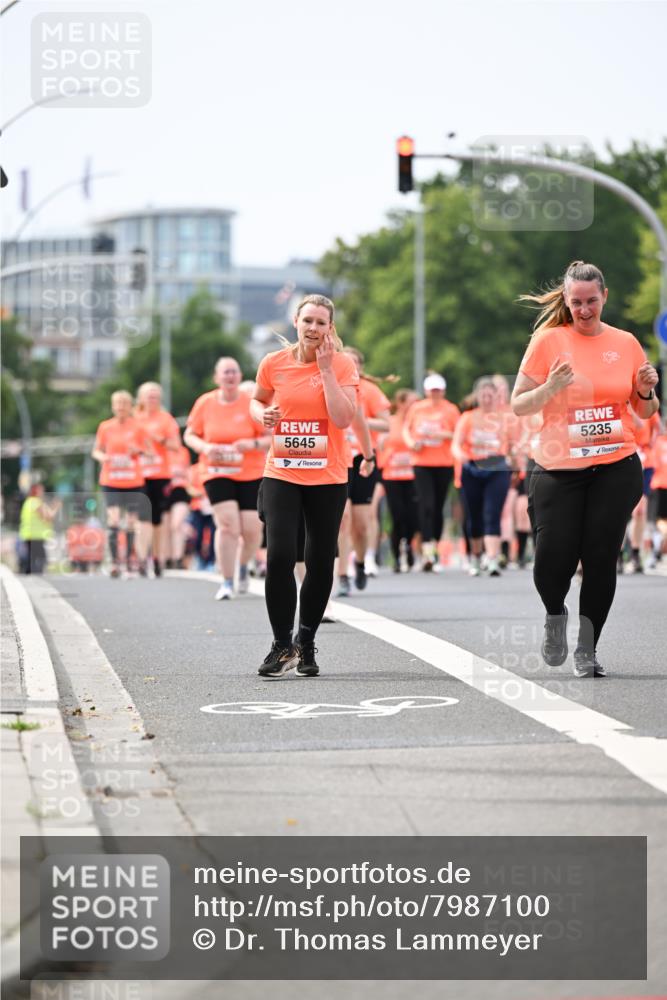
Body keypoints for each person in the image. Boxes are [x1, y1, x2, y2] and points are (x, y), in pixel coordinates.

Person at [511, 260, 659, 678]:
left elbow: (645, 411)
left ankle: (587, 649)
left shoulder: (626, 342)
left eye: (591, 301)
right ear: (566, 300)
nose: (584, 309)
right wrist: (551, 387)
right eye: (576, 302)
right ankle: (555, 613)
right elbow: (519, 404)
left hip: (615, 464)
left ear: (604, 297)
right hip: (557, 467)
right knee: (551, 561)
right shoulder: (548, 340)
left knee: (600, 558)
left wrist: (646, 391)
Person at [250, 294, 359, 678]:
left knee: (319, 559)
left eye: (321, 323)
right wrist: (261, 414)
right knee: (279, 555)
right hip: (282, 470)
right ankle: (282, 644)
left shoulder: (342, 364)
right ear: (296, 321)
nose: (313, 329)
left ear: (331, 328)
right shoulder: (273, 363)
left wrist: (327, 370)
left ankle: (306, 640)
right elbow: (257, 399)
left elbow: (344, 419)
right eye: (308, 320)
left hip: (327, 476)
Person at [185, 357, 270, 600]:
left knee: (253, 530)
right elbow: (189, 435)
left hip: (251, 471)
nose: (230, 376)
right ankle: (226, 581)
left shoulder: (251, 403)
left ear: (240, 375)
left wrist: (251, 443)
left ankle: (243, 566)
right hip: (216, 471)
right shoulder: (205, 403)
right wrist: (205, 447)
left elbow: (269, 437)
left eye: (234, 372)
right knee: (228, 525)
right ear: (217, 378)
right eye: (225, 373)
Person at [336, 347, 391, 594]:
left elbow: (386, 424)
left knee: (361, 522)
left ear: (360, 367)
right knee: (342, 519)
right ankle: (342, 573)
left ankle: (359, 562)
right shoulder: (331, 387)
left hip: (363, 459)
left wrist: (358, 421)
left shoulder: (369, 391)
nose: (352, 367)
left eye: (355, 363)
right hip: (337, 460)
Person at [452, 378, 513, 577]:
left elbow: (515, 442)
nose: (487, 399)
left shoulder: (504, 419)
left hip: (496, 468)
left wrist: (514, 457)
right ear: (477, 397)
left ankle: (493, 559)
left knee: (492, 513)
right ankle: (476, 556)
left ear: (496, 397)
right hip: (472, 469)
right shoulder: (468, 418)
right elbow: (456, 444)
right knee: (474, 516)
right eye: (483, 395)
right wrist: (460, 455)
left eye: (490, 396)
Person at [92, 390, 153, 577]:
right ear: (112, 406)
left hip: (133, 481)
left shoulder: (138, 427)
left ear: (130, 406)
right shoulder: (105, 427)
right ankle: (114, 562)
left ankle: (128, 560)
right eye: (117, 403)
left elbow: (150, 452)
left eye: (124, 403)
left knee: (131, 522)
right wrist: (105, 457)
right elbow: (96, 451)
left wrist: (139, 450)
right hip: (111, 480)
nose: (120, 407)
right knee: (114, 519)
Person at [403, 373, 461, 570]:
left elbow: (459, 434)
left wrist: (443, 434)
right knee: (425, 505)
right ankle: (427, 550)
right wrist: (412, 443)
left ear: (443, 391)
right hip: (421, 462)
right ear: (426, 391)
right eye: (431, 390)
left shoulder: (451, 410)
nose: (435, 393)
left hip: (444, 463)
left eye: (438, 390)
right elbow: (406, 430)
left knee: (437, 507)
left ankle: (435, 546)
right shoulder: (417, 408)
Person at [134, 382, 181, 577]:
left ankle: (157, 557)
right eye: (149, 395)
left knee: (157, 520)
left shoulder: (166, 419)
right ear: (140, 398)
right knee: (141, 518)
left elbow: (176, 445)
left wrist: (159, 439)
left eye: (155, 395)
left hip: (160, 474)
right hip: (136, 475)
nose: (152, 399)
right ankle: (141, 558)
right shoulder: (133, 419)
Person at [377, 389, 420, 571]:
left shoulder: (417, 423)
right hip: (392, 475)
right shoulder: (391, 422)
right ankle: (396, 555)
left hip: (413, 476)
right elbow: (379, 446)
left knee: (413, 517)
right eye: (412, 402)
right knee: (398, 516)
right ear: (401, 403)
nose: (415, 406)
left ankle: (408, 546)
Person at [18, 484, 60, 574]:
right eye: (41, 490)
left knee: (32, 558)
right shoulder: (36, 502)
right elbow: (48, 517)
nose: (43, 493)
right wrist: (56, 507)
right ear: (36, 491)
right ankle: (35, 576)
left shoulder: (28, 502)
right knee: (41, 558)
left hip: (29, 534)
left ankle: (29, 575)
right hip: (36, 535)